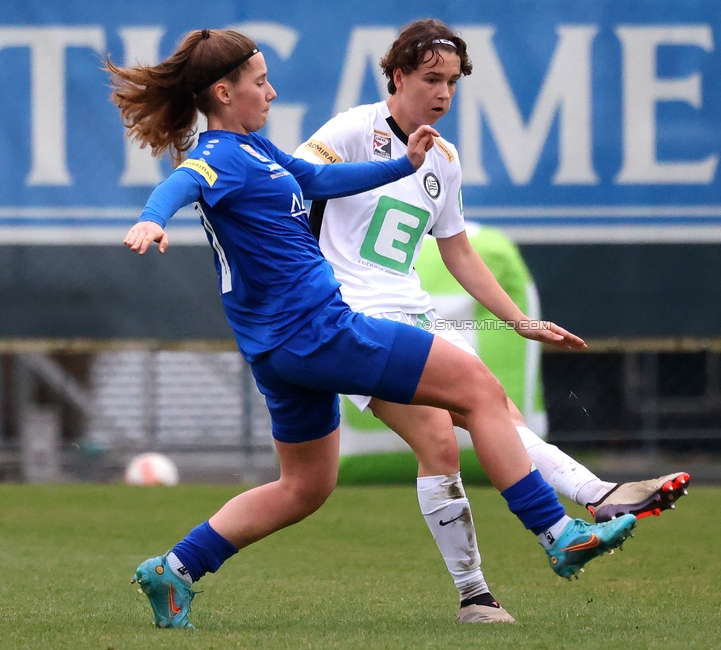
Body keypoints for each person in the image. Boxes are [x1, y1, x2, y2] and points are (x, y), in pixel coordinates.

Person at [107, 28, 638, 630]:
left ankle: (174, 569)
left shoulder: (258, 152)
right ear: (225, 93)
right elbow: (183, 181)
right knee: (480, 391)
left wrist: (402, 165)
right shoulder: (221, 156)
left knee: (304, 487)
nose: (271, 92)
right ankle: (558, 531)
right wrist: (152, 220)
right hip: (318, 333)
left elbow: (321, 182)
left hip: (277, 350)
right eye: (260, 83)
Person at [293, 19, 690, 624]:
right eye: (430, 78)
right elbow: (298, 177)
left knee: (457, 433)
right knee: (480, 407)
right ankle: (585, 505)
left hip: (410, 315)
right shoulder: (352, 128)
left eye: (452, 82)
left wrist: (519, 320)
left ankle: (479, 596)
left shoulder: (443, 159)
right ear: (396, 76)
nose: (443, 93)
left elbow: (458, 253)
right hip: (350, 321)